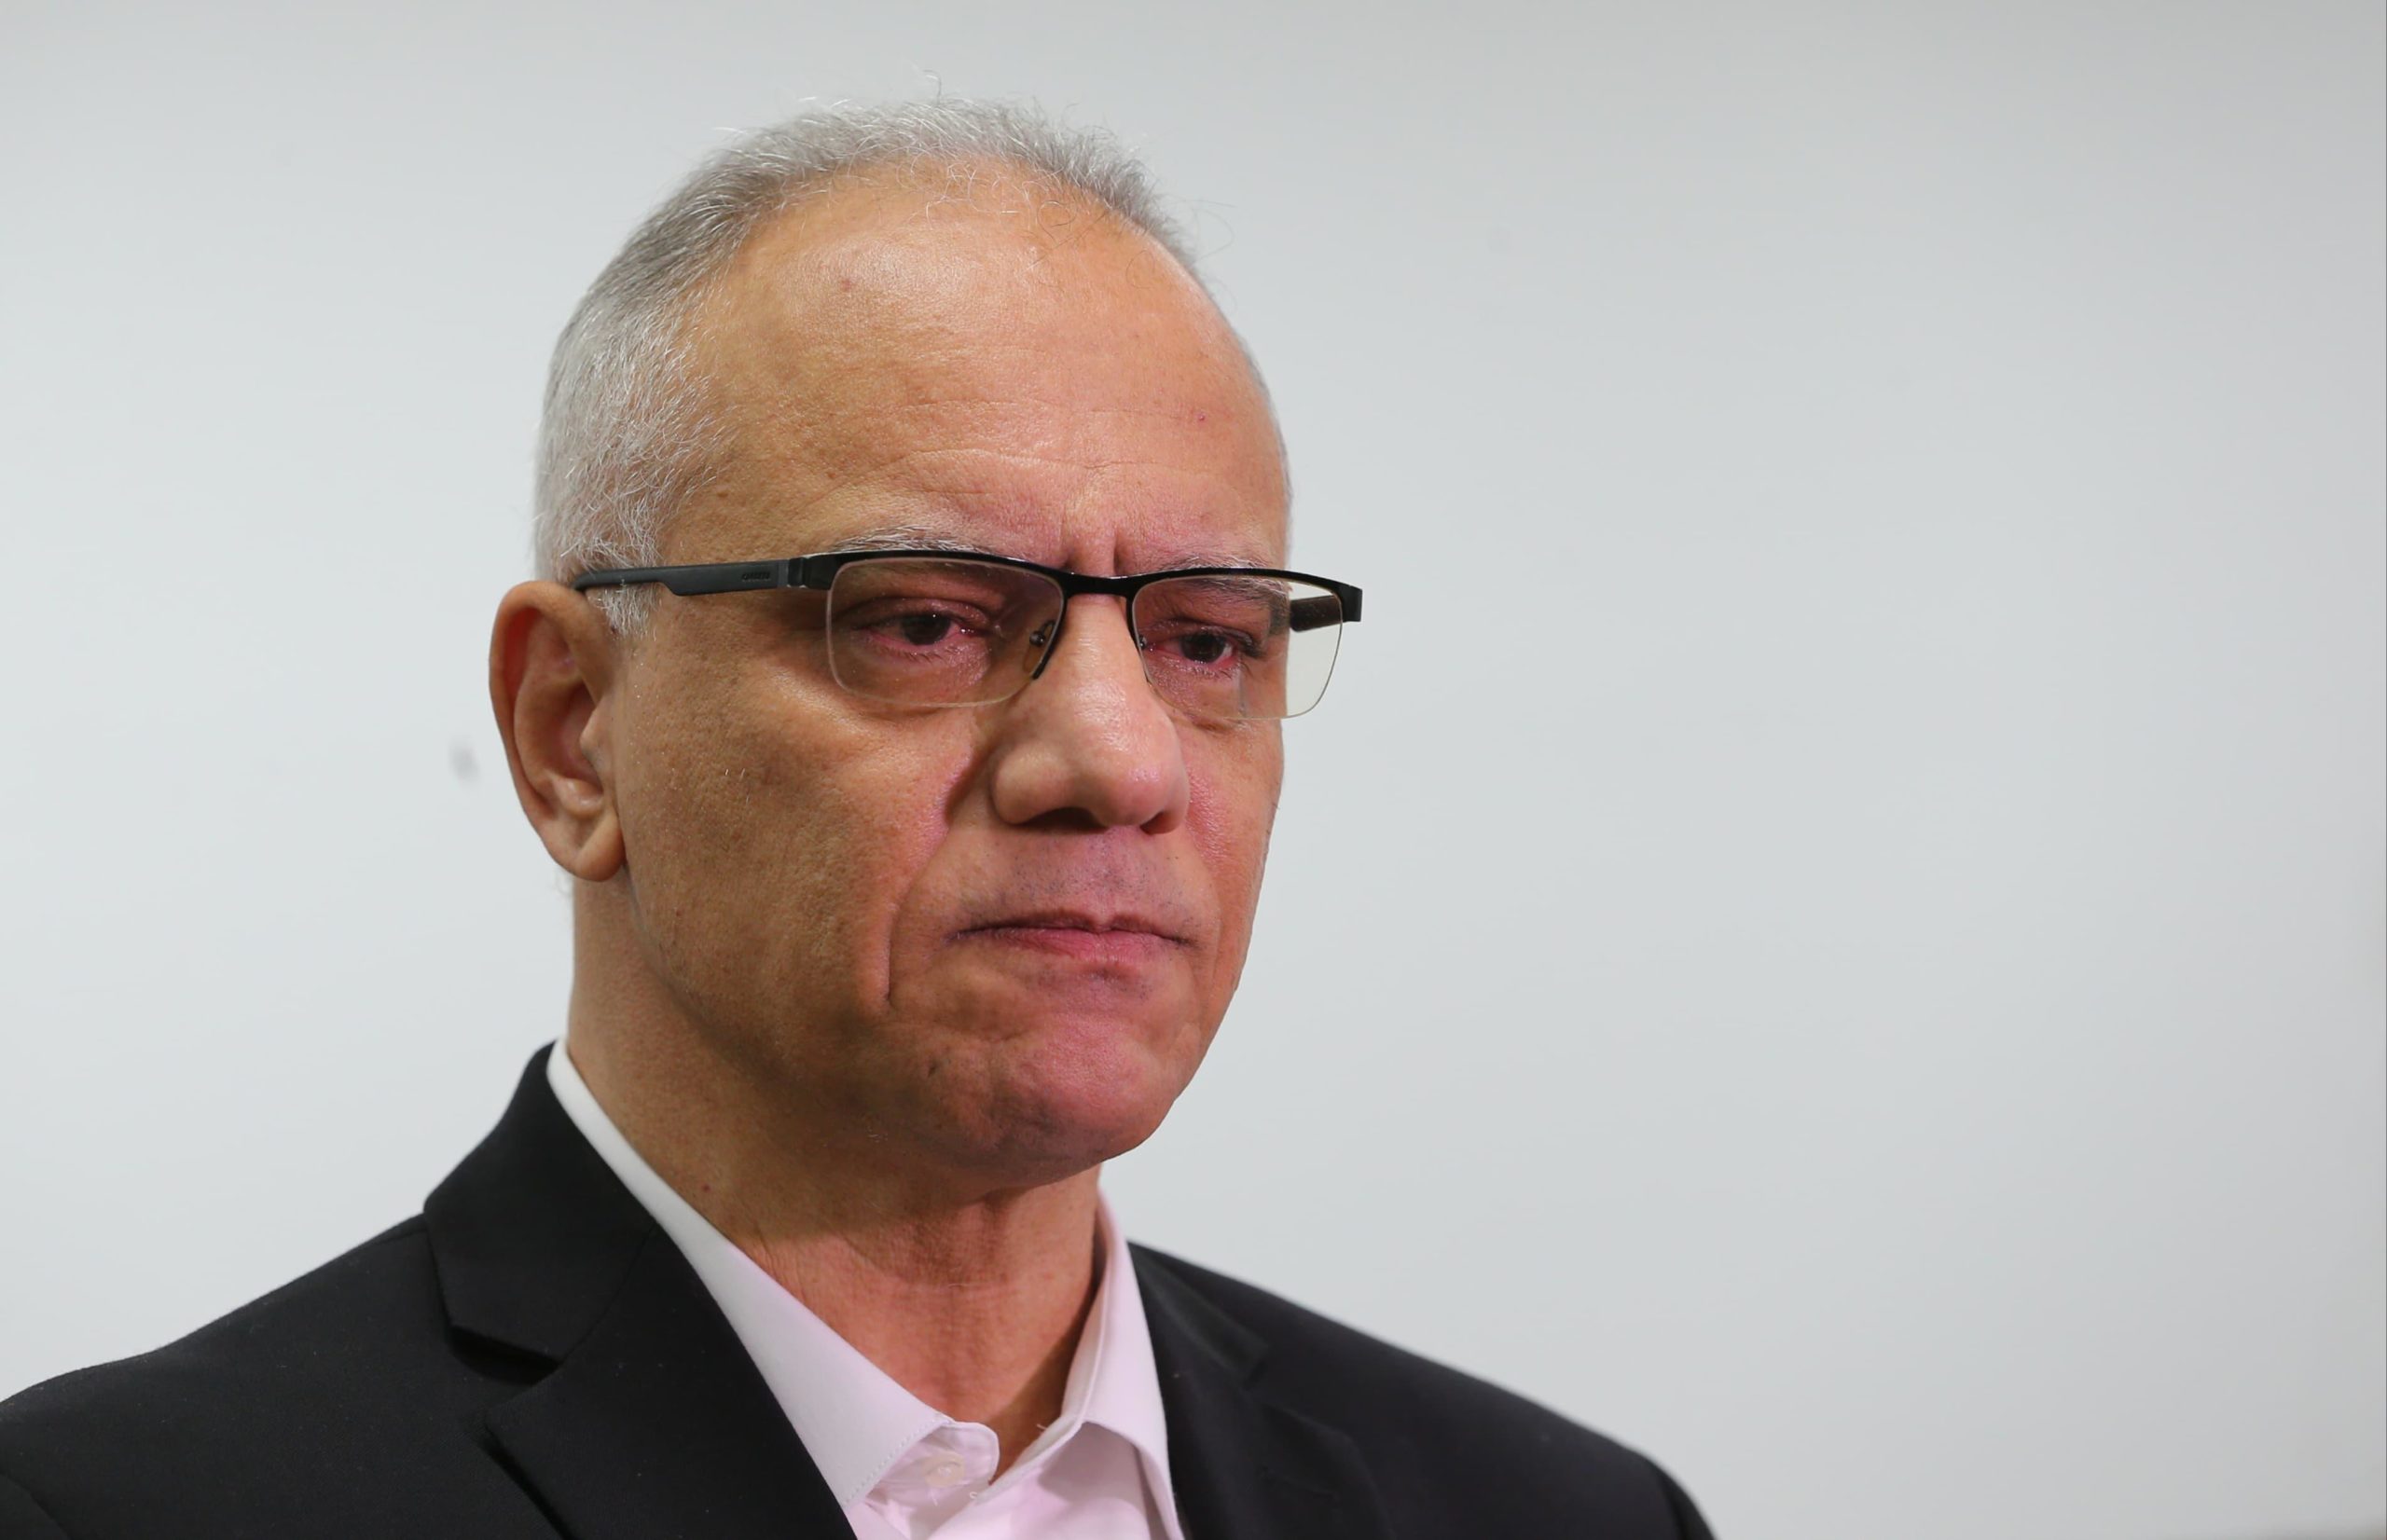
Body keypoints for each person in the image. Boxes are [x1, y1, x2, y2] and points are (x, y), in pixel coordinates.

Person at [0, 100, 1712, 1539]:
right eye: (925, 621)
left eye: (1207, 642)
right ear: (573, 730)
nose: (1119, 763)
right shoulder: (121, 1511)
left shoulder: (1560, 1515)